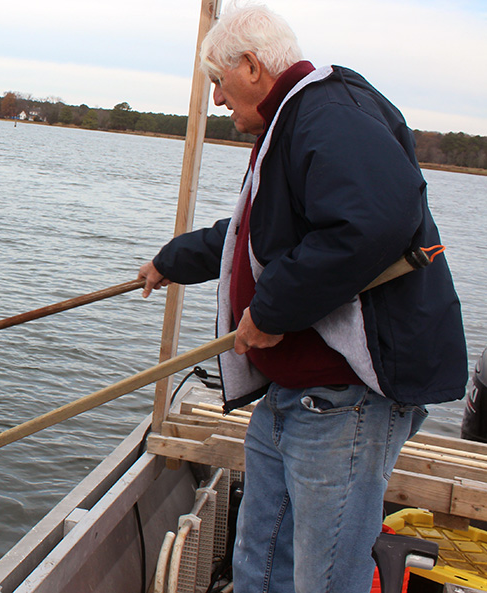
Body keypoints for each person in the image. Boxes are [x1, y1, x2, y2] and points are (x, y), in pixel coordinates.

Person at [136, 5, 466, 593]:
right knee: (258, 566)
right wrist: (172, 261)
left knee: (325, 580)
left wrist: (270, 311)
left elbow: (376, 220)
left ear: (253, 66)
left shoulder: (327, 113)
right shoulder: (295, 120)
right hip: (293, 397)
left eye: (218, 81)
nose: (215, 99)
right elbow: (253, 237)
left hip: (343, 405)